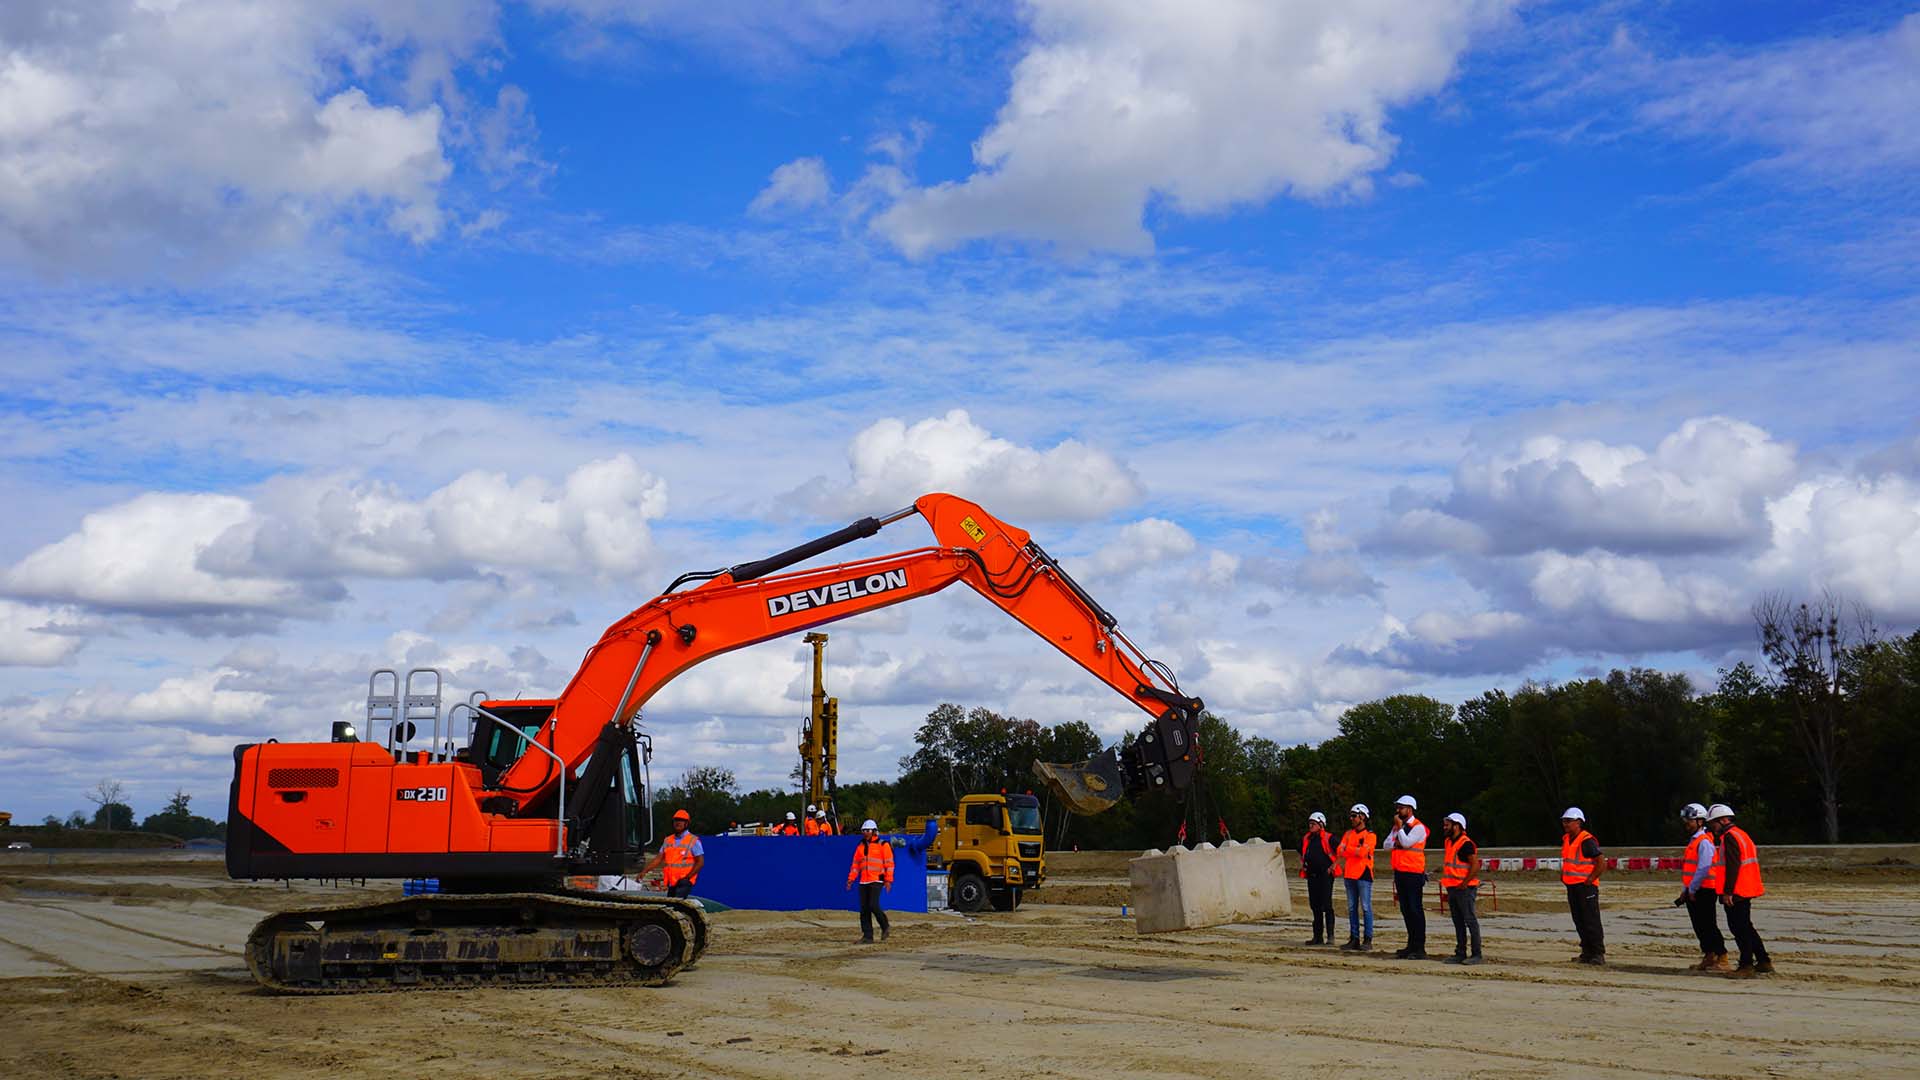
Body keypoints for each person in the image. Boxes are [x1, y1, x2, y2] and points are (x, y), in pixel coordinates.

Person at [1707, 804, 1772, 976]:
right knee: (1746, 927)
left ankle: (1746, 965)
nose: (1712, 827)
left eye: (1713, 823)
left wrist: (1727, 892)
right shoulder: (1742, 834)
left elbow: (1732, 866)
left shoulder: (1729, 837)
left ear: (1723, 820)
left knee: (1739, 929)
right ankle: (1763, 961)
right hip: (1746, 888)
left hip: (1736, 891)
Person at [1676, 802, 1727, 971]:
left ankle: (1722, 956)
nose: (1686, 824)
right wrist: (1686, 890)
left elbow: (1704, 868)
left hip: (1705, 890)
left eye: (1689, 821)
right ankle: (1709, 955)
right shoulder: (1694, 841)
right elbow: (1691, 869)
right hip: (1695, 889)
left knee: (1708, 924)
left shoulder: (1704, 842)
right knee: (1699, 926)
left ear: (1700, 821)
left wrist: (1692, 889)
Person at [1382, 795, 1429, 960]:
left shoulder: (1418, 827)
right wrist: (1398, 838)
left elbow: (1407, 842)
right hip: (1400, 873)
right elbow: (1386, 845)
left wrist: (1400, 829)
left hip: (1413, 873)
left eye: (1401, 808)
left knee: (1415, 910)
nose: (1398, 811)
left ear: (1410, 809)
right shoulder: (1398, 827)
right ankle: (1411, 945)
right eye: (1398, 807)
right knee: (1406, 910)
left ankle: (1419, 947)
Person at [1561, 807, 1605, 965]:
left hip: (1585, 887)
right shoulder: (1567, 839)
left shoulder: (1586, 840)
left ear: (1578, 822)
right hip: (1572, 886)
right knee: (1579, 920)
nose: (1565, 824)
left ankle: (1597, 953)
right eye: (1564, 821)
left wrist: (1591, 879)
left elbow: (1601, 862)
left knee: (1591, 920)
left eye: (1568, 821)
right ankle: (1587, 952)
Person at [1440, 812, 1482, 965]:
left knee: (1470, 920)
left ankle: (1476, 954)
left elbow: (1475, 865)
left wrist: (1465, 883)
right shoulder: (1449, 842)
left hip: (1465, 889)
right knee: (1458, 921)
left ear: (1456, 826)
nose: (1445, 827)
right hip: (1452, 887)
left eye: (1447, 825)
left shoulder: (1466, 844)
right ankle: (1460, 953)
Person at [1335, 803, 1377, 951]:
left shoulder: (1370, 835)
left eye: (1354, 816)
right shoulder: (1348, 834)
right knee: (1352, 908)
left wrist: (1348, 849)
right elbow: (1339, 851)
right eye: (1351, 816)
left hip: (1363, 874)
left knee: (1366, 907)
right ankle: (1354, 938)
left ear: (1363, 817)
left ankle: (1368, 939)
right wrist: (1354, 850)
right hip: (1349, 874)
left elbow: (1362, 853)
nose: (1351, 819)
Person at [845, 819, 894, 943]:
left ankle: (885, 926)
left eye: (868, 830)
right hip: (864, 881)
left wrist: (888, 880)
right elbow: (855, 865)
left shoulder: (883, 845)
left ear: (874, 831)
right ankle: (867, 936)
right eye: (864, 830)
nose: (866, 833)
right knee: (864, 909)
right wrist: (851, 879)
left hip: (877, 880)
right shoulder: (860, 847)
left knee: (873, 905)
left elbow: (889, 864)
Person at [640, 808, 704, 899]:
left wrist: (687, 878)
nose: (678, 823)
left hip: (684, 882)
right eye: (676, 820)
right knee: (671, 903)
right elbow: (658, 859)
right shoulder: (668, 840)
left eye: (681, 821)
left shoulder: (693, 840)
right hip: (672, 882)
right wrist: (645, 871)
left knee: (676, 904)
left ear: (686, 823)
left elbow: (700, 862)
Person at [1298, 811, 1336, 945]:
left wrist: (1333, 866)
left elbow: (1341, 851)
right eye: (1310, 823)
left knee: (1327, 905)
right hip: (1312, 876)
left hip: (1325, 876)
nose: (1310, 826)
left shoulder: (1329, 838)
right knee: (1315, 906)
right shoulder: (1306, 839)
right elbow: (1300, 851)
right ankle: (1318, 936)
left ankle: (1330, 936)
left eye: (1313, 823)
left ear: (1321, 824)